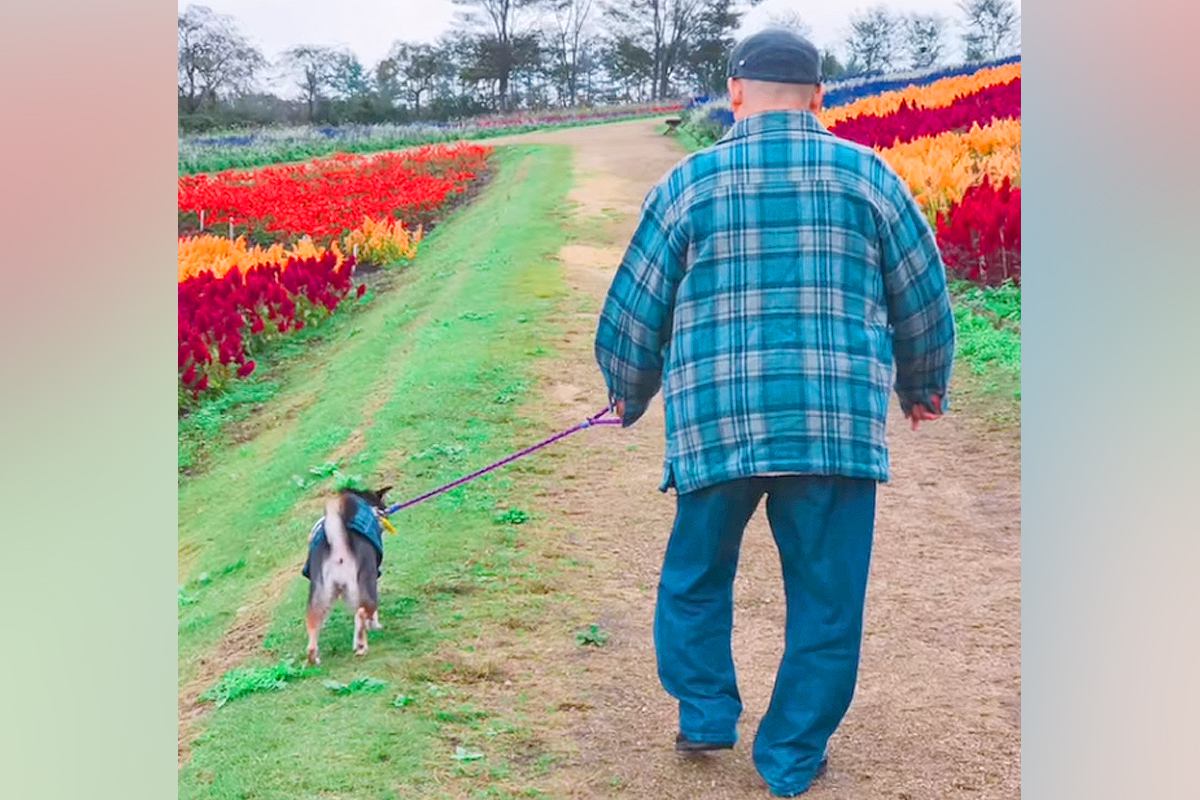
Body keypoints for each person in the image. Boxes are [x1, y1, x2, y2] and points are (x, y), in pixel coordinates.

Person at [593, 28, 956, 798]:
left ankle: (705, 712)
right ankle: (791, 758)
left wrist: (627, 388)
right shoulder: (869, 179)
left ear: (734, 94)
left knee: (696, 573)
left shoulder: (690, 184)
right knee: (827, 596)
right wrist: (922, 383)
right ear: (821, 97)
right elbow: (921, 291)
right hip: (835, 431)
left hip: (716, 425)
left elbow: (636, 306)